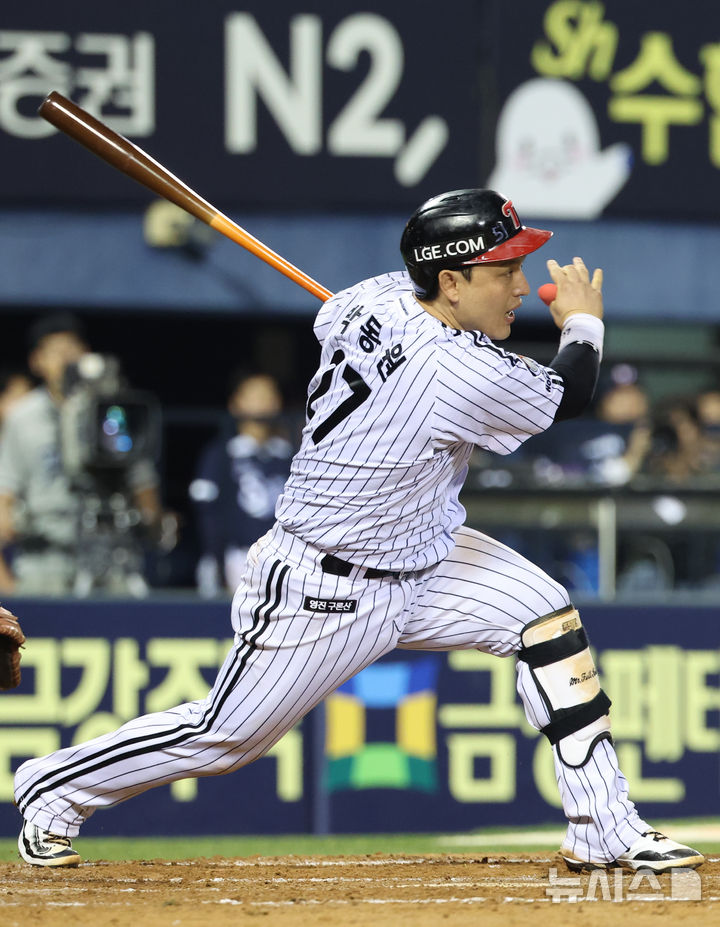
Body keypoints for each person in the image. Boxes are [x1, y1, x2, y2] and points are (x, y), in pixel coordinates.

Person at [14, 189, 703, 872]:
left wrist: (405, 335)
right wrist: (582, 324)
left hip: (426, 553)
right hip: (327, 582)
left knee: (544, 615)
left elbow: (337, 320)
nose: (521, 287)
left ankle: (603, 826)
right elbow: (570, 393)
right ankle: (54, 788)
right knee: (225, 737)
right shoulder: (452, 369)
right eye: (504, 271)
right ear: (450, 282)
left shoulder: (377, 297)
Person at [0, 313, 164, 596]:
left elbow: (143, 486)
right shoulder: (23, 417)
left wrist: (154, 525)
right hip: (45, 562)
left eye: (72, 349)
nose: (66, 359)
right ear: (37, 361)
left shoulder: (112, 408)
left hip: (112, 555)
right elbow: (5, 493)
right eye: (55, 351)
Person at [189, 370, 293, 596]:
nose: (264, 402)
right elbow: (208, 513)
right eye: (256, 395)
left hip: (285, 559)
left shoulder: (289, 456)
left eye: (270, 395)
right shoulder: (221, 454)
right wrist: (215, 559)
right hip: (236, 557)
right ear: (235, 404)